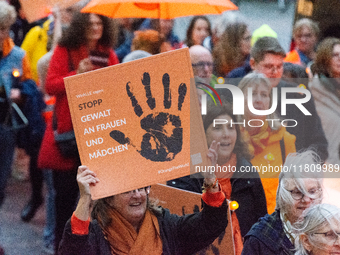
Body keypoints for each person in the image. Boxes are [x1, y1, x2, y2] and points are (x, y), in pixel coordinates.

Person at [38, 12, 119, 253]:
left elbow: (116, 84)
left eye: (99, 23)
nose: (96, 27)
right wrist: (76, 75)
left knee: (97, 203)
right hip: (68, 137)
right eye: (91, 22)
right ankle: (60, 248)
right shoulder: (65, 50)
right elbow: (51, 85)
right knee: (64, 201)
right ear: (82, 25)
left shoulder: (108, 52)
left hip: (97, 136)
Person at [58, 162, 228, 254]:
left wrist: (211, 183)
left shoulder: (166, 225)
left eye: (142, 188)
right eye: (128, 190)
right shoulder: (95, 234)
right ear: (108, 198)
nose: (138, 195)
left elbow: (211, 224)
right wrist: (86, 197)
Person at [168, 102, 267, 255]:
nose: (226, 134)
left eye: (231, 127)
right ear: (202, 134)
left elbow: (262, 228)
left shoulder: (248, 173)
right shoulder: (184, 178)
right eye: (217, 128)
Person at [222, 36, 328, 162]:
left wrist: (301, 169)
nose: (275, 72)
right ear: (252, 64)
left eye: (279, 66)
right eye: (268, 66)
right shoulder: (231, 93)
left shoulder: (297, 96)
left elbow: (319, 144)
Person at [242, 150, 324, 255]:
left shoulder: (331, 232)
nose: (307, 200)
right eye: (297, 192)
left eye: (312, 192)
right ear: (282, 195)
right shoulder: (259, 240)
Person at [238, 72, 296, 214]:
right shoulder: (231, 140)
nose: (259, 100)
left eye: (264, 95)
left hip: (273, 225)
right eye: (253, 94)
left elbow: (295, 189)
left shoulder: (284, 140)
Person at [0, 0, 35, 207]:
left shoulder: (18, 55)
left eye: (3, 28)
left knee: (1, 180)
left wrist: (20, 91)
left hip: (5, 123)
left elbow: (30, 86)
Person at [309, 37, 340, 164]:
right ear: (324, 59)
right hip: (321, 168)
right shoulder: (313, 91)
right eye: (335, 55)